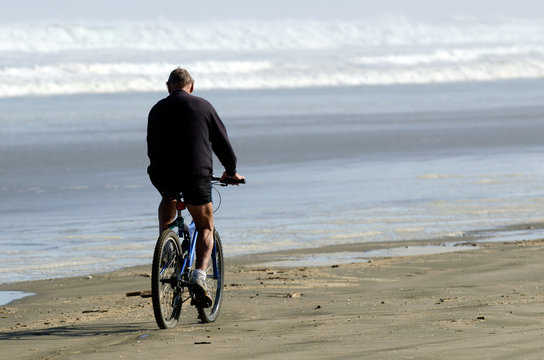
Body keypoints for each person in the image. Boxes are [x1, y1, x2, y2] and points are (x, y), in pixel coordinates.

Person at [147, 67, 244, 308]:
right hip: (195, 174)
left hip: (163, 174)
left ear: (168, 87)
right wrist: (230, 171)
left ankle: (166, 244)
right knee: (205, 226)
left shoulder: (157, 109)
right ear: (192, 86)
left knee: (168, 198)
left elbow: (151, 145)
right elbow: (222, 142)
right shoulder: (203, 106)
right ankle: (199, 275)